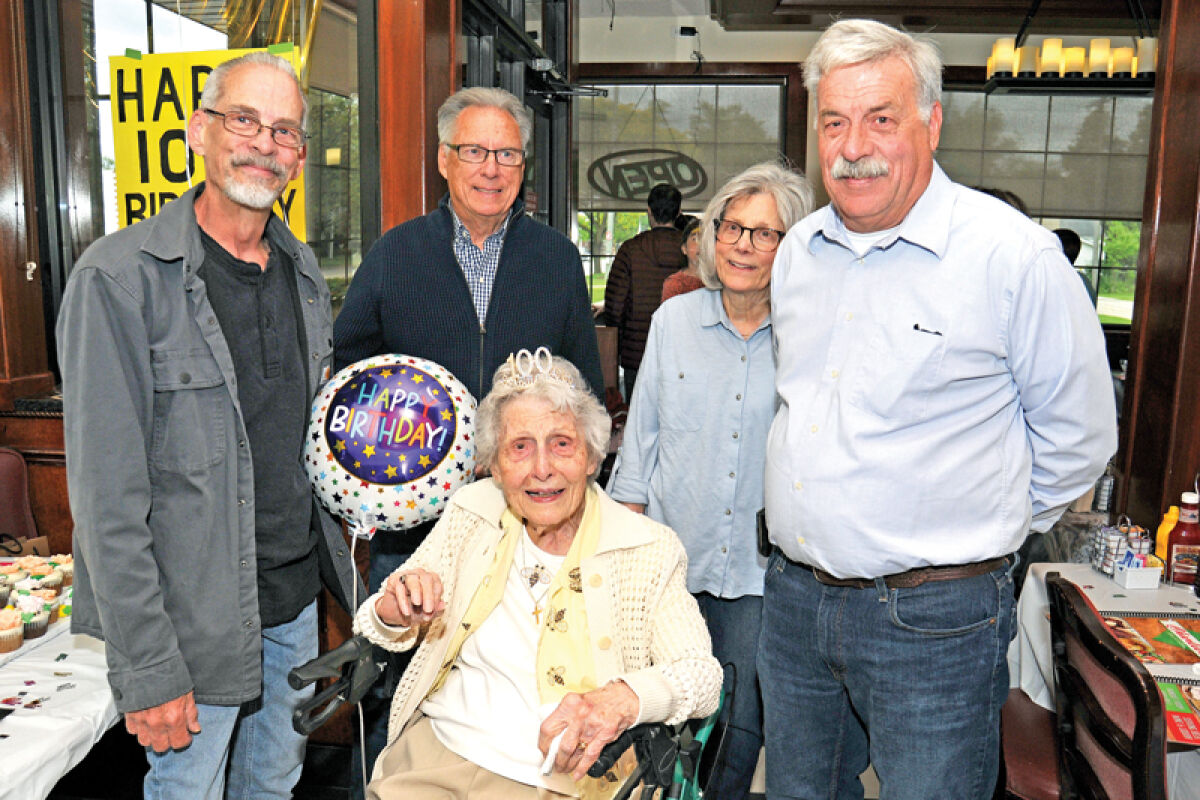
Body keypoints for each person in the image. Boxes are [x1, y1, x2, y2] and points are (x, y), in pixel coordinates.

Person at [761, 19, 1117, 800]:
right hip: (793, 603)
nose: (853, 145)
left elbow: (1080, 438)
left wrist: (973, 539)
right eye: (834, 121)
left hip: (937, 621)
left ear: (931, 121)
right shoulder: (798, 253)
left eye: (881, 119)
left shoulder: (1011, 256)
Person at [56, 52, 360, 799]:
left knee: (273, 790)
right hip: (190, 625)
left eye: (285, 130)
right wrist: (150, 667)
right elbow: (106, 505)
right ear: (200, 131)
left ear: (298, 155)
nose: (265, 142)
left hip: (290, 608)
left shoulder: (304, 273)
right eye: (245, 120)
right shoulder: (118, 280)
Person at [333, 85, 605, 783]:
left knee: (520, 691)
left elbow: (586, 394)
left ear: (523, 167)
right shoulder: (395, 254)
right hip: (416, 533)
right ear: (445, 161)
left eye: (507, 154)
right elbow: (350, 379)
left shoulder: (556, 259)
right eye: (475, 152)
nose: (491, 168)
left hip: (529, 526)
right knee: (411, 689)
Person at [355, 350, 722, 799]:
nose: (542, 468)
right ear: (494, 465)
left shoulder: (646, 547)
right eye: (520, 447)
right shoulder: (472, 512)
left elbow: (702, 676)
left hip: (564, 782)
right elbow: (379, 619)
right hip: (439, 758)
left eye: (562, 443)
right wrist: (394, 609)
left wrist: (619, 700)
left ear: (592, 457)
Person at [610, 162, 813, 798]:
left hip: (760, 570)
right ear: (709, 234)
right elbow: (641, 435)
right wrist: (625, 537)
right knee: (663, 711)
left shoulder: (809, 337)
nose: (742, 246)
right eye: (731, 227)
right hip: (672, 555)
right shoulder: (674, 321)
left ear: (793, 246)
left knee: (740, 721)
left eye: (765, 233)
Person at [601, 183, 685, 399]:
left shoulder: (630, 250)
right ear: (678, 213)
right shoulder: (690, 253)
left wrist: (619, 345)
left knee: (637, 423)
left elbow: (615, 308)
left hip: (637, 355)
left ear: (649, 211)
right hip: (682, 355)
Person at [660, 216, 706, 302]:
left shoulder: (720, 281)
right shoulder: (674, 284)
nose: (701, 245)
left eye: (705, 239)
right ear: (684, 249)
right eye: (695, 239)